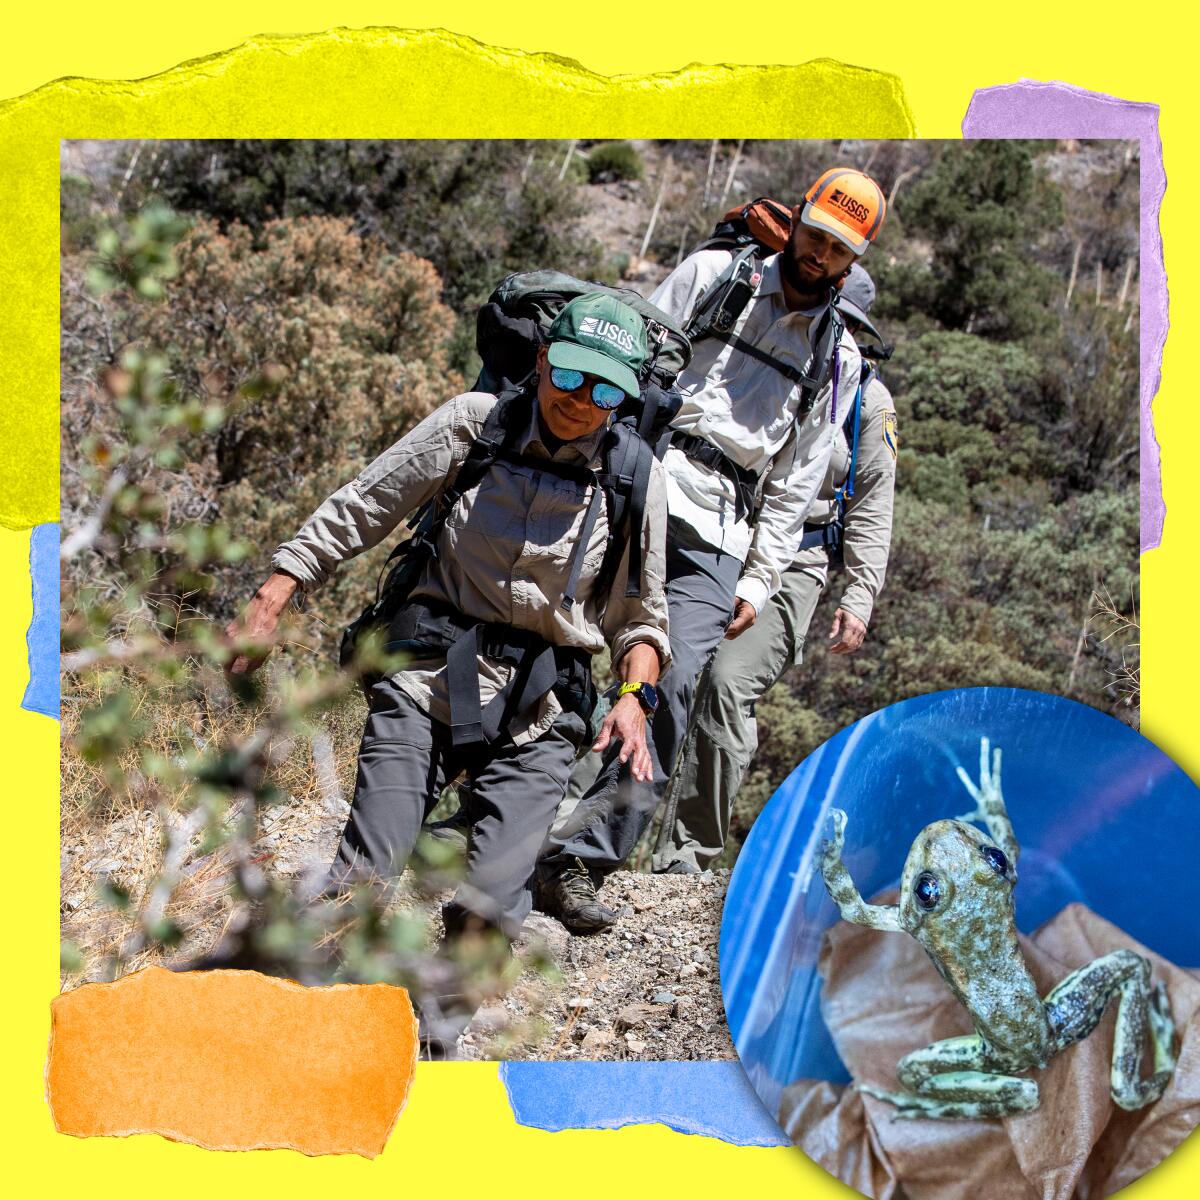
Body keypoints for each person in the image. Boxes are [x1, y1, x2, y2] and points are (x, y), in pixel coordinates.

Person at [226, 292, 671, 958]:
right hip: (429, 679)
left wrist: (635, 698)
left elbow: (640, 621)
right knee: (363, 885)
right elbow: (362, 507)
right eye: (570, 374)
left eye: (603, 390)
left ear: (625, 398)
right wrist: (274, 592)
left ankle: (441, 1048)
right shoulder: (475, 425)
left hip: (540, 709)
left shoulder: (635, 479)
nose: (578, 399)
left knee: (487, 918)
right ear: (544, 359)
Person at [537, 168, 888, 932]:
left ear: (855, 263)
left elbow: (796, 481)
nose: (821, 254)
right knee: (552, 642)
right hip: (641, 476)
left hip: (726, 523)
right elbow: (626, 366)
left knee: (675, 684)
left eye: (840, 250)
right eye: (818, 234)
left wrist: (760, 582)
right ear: (797, 221)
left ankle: (579, 860)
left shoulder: (839, 361)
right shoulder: (711, 275)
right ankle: (501, 810)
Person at [654, 263, 898, 872]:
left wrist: (861, 594)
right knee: (657, 663)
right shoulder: (761, 345)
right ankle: (592, 828)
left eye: (847, 322)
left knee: (727, 686)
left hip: (796, 561)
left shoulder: (867, 401)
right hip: (718, 523)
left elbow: (873, 502)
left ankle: (687, 854)